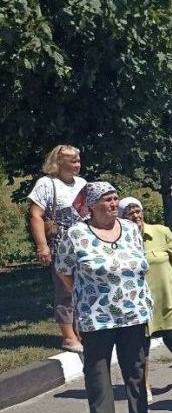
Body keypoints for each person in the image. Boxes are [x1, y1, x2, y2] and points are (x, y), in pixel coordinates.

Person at [55, 182, 161, 413]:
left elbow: (140, 264)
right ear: (91, 205)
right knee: (98, 370)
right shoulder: (76, 234)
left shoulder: (130, 229)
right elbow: (64, 270)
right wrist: (87, 294)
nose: (114, 204)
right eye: (107, 199)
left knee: (135, 367)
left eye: (116, 198)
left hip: (133, 311)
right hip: (96, 315)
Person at [117, 197, 172, 399]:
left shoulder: (161, 232)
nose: (136, 216)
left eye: (138, 211)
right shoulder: (120, 239)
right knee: (142, 347)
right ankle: (145, 385)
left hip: (166, 296)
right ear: (122, 218)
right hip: (139, 301)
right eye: (130, 213)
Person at [27, 144, 87, 353]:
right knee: (65, 291)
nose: (77, 165)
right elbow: (36, 215)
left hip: (83, 245)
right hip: (61, 246)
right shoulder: (46, 184)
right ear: (59, 163)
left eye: (78, 160)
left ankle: (82, 331)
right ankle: (68, 337)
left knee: (84, 289)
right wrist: (42, 246)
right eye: (73, 161)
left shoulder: (82, 183)